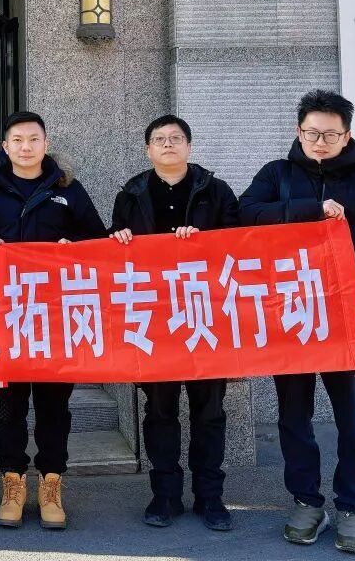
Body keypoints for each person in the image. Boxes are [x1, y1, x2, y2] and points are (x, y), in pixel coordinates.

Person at [239, 90, 355, 555]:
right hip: (291, 317)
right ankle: (306, 501)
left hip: (349, 322)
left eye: (330, 134)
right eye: (312, 133)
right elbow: (244, 216)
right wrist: (310, 211)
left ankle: (353, 507)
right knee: (294, 418)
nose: (320, 142)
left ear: (347, 136)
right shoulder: (276, 175)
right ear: (299, 131)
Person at [0, 110, 106, 531]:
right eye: (17, 140)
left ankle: (51, 482)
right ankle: (12, 482)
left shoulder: (68, 189)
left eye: (33, 139)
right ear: (4, 147)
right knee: (8, 409)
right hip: (2, 317)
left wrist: (71, 246)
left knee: (54, 407)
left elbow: (97, 242)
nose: (26, 147)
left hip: (54, 318)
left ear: (46, 144)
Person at [109, 114, 240, 532]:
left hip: (205, 316)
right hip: (154, 322)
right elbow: (114, 249)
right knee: (160, 411)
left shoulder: (216, 191)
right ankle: (164, 495)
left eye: (176, 138)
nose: (168, 144)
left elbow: (239, 244)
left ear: (189, 146)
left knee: (209, 411)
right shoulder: (131, 193)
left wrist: (204, 240)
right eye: (160, 139)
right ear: (148, 149)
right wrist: (118, 238)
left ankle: (210, 497)